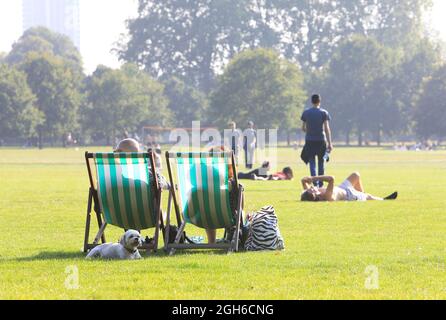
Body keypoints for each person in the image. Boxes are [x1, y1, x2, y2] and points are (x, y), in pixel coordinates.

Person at [300, 94, 333, 187]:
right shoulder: (324, 113)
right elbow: (327, 129)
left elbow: (303, 128)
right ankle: (321, 184)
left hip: (310, 140)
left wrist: (310, 131)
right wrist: (330, 143)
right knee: (321, 162)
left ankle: (314, 183)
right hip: (321, 141)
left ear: (312, 101)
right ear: (319, 101)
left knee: (312, 162)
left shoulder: (306, 113)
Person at [300, 172, 398, 202]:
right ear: (316, 195)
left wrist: (305, 181)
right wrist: (313, 178)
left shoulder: (310, 194)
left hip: (343, 187)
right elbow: (331, 178)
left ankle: (361, 193)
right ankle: (384, 200)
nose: (312, 187)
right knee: (368, 197)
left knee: (356, 175)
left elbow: (303, 181)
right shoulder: (327, 196)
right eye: (312, 190)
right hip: (349, 195)